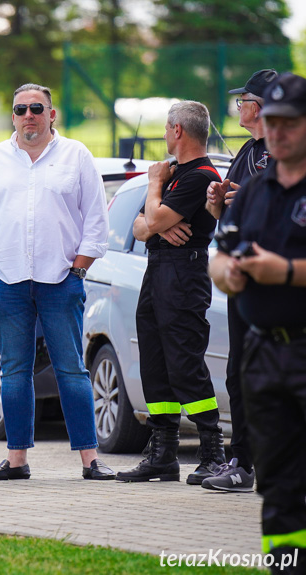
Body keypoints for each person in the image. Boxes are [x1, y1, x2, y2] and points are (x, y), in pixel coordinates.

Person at [0, 84, 114, 481]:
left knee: (72, 369)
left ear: (51, 115)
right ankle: (16, 461)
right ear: (12, 116)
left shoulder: (76, 156)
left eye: (36, 108)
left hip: (60, 280)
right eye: (20, 109)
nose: (28, 115)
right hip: (6, 282)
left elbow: (97, 222)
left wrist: (77, 271)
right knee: (14, 372)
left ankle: (90, 459)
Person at [209, 72, 306, 573]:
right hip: (264, 354)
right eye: (272, 121)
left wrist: (285, 272)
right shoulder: (255, 187)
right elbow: (222, 251)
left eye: (289, 122)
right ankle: (287, 565)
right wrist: (226, 272)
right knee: (278, 480)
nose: (278, 131)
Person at [116, 101, 224, 485]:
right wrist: (156, 223)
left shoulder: (199, 175)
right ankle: (163, 454)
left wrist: (154, 189)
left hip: (183, 273)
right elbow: (139, 226)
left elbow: (153, 219)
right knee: (155, 361)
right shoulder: (176, 173)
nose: (163, 135)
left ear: (178, 130)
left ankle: (213, 451)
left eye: (165, 129)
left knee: (184, 361)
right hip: (158, 269)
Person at [201, 69, 277, 492]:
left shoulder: (287, 157)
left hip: (279, 283)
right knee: (239, 372)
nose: (239, 107)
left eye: (243, 99)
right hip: (242, 283)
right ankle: (241, 460)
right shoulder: (249, 149)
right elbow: (228, 218)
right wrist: (217, 204)